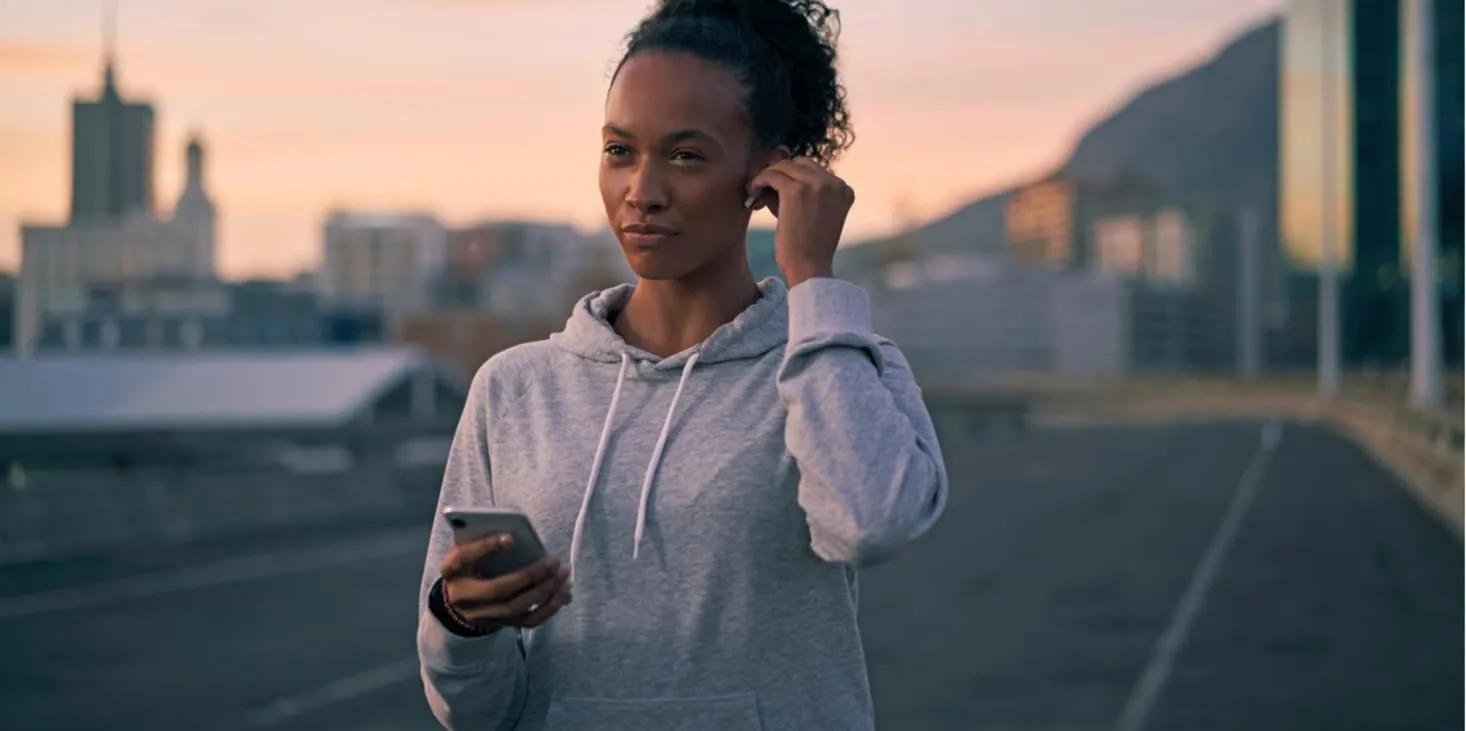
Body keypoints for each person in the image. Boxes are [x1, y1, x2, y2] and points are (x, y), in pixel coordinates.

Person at [416, 0, 949, 728]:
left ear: (770, 175)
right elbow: (475, 711)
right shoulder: (516, 388)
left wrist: (814, 280)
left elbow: (871, 523)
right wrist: (461, 624)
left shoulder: (839, 365)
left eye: (685, 155)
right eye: (619, 152)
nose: (643, 192)